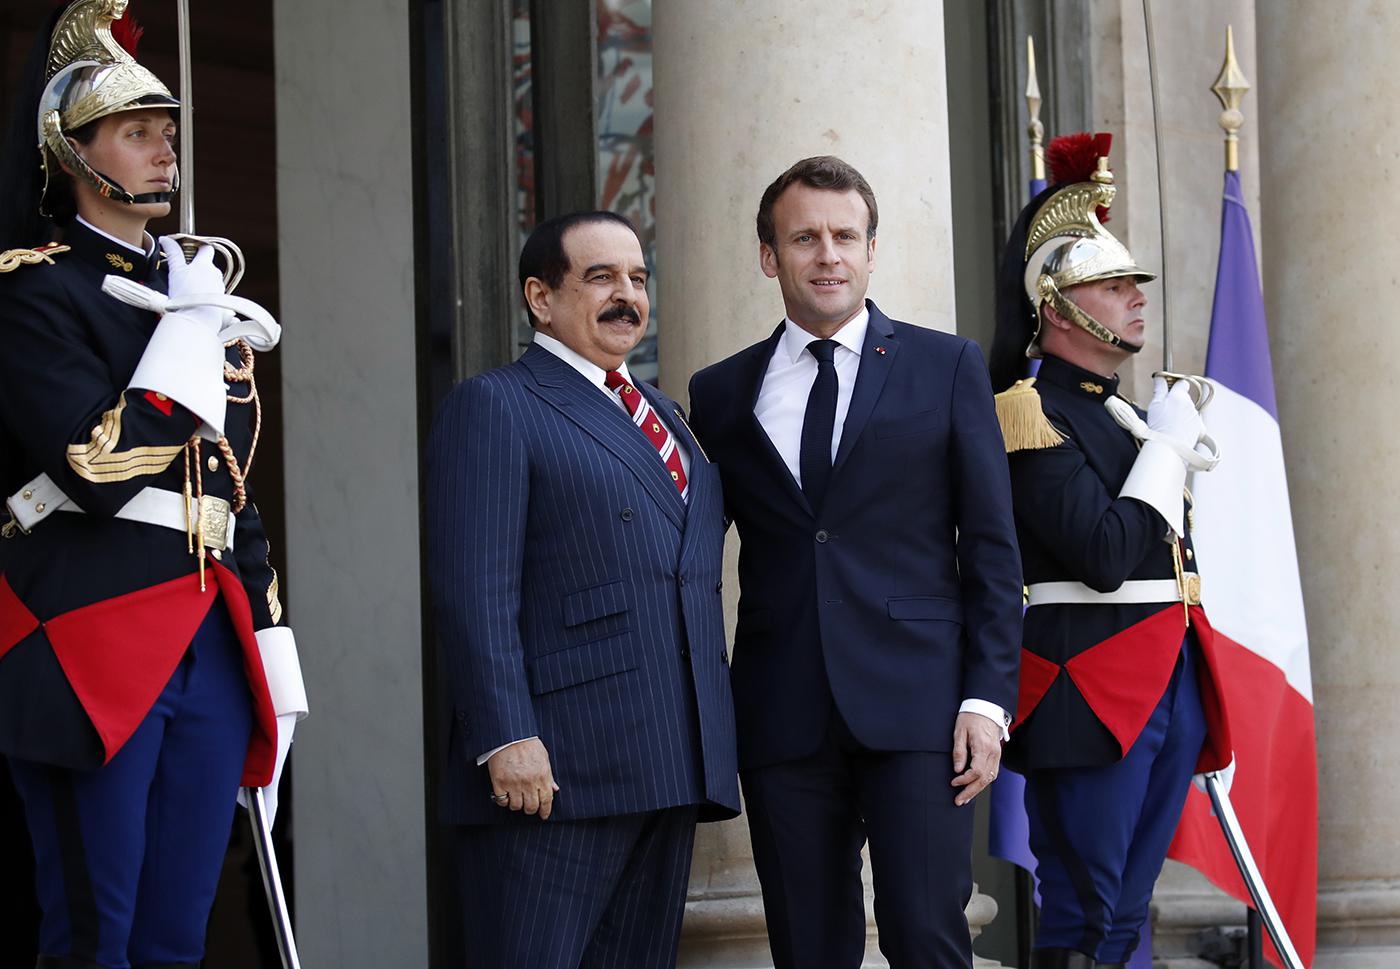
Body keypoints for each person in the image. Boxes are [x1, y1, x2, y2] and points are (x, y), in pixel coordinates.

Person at [0, 3, 307, 967]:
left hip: (207, 632)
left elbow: (227, 488)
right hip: (86, 630)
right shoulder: (34, 290)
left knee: (182, 934)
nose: (163, 150)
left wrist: (269, 637)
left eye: (167, 133)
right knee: (99, 936)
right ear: (74, 152)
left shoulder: (190, 296)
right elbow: (92, 465)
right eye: (137, 133)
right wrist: (182, 335)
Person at [687, 156, 1023, 969]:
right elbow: (693, 553)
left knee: (925, 933)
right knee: (808, 946)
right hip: (782, 708)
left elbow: (989, 547)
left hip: (921, 706)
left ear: (873, 251)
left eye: (845, 235)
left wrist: (987, 699)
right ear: (770, 256)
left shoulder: (946, 366)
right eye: (805, 237)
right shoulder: (722, 391)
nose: (827, 254)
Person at [426, 210, 739, 968]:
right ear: (541, 297)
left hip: (666, 759)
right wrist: (507, 735)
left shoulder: (666, 414)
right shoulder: (497, 403)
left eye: (636, 277)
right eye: (601, 277)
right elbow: (474, 589)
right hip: (551, 771)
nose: (626, 295)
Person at [987, 133, 1233, 969]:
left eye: (1134, 284)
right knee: (1086, 915)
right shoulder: (1029, 413)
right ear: (1057, 306)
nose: (1135, 298)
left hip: (1166, 677)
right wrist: (1166, 451)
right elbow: (1101, 550)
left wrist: (1155, 439)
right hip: (1087, 690)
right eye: (1113, 284)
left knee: (1126, 914)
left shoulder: (1124, 416)